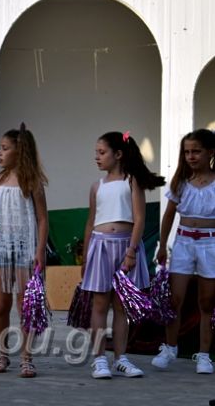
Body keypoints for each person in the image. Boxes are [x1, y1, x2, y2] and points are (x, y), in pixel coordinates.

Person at [82, 131, 165, 379]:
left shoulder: (131, 181)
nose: (97, 157)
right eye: (96, 152)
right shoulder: (97, 186)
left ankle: (121, 358)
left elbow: (139, 218)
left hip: (124, 247)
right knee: (99, 304)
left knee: (121, 307)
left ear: (118, 154)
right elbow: (90, 222)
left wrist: (131, 251)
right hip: (100, 246)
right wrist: (86, 255)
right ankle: (99, 359)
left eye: (102, 152)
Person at [151, 129, 215, 374]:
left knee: (207, 302)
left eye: (196, 151)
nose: (191, 156)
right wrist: (162, 245)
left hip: (211, 244)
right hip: (184, 243)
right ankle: (170, 347)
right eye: (187, 152)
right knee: (174, 299)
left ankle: (204, 355)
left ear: (210, 152)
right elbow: (168, 216)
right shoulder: (180, 182)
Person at [0, 124, 48, 378]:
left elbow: (43, 218)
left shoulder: (32, 181)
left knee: (24, 305)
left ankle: (27, 355)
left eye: (4, 148)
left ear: (19, 151)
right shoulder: (0, 179)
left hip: (25, 249)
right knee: (1, 304)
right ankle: (2, 352)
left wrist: (40, 250)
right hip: (1, 248)